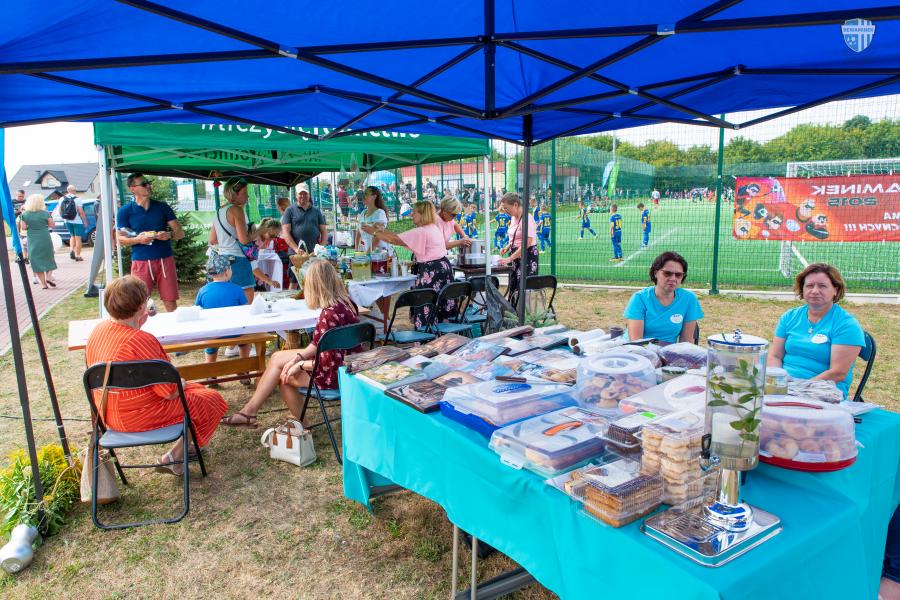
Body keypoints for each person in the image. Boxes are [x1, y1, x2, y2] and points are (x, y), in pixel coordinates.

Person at [85, 276, 227, 475]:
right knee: (208, 399)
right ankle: (175, 457)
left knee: (195, 394)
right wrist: (182, 383)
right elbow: (169, 392)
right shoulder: (140, 340)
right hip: (139, 416)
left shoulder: (97, 331)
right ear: (141, 306)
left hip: (108, 413)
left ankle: (181, 451)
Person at [221, 260, 361, 428]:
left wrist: (300, 365)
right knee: (276, 357)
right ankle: (249, 412)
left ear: (314, 285)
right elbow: (318, 343)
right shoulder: (347, 303)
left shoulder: (329, 315)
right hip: (349, 365)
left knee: (285, 376)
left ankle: (301, 424)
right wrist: (298, 358)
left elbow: (327, 362)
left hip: (335, 375)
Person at [767, 263, 865, 399]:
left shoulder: (846, 325)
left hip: (822, 390)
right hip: (785, 387)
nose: (814, 291)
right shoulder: (789, 317)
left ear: (835, 290)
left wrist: (798, 389)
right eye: (809, 286)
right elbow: (775, 356)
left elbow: (837, 373)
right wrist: (777, 383)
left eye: (822, 286)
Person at [363, 202, 453, 329]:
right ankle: (442, 334)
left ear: (422, 215)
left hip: (431, 272)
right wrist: (380, 231)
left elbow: (394, 240)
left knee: (426, 307)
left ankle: (427, 336)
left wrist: (373, 231)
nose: (412, 215)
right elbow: (396, 237)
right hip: (443, 269)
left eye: (414, 212)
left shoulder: (422, 231)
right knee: (441, 307)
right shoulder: (432, 228)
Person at [117, 173, 184, 312]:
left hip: (165, 260)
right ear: (132, 189)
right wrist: (138, 239)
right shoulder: (125, 211)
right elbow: (121, 239)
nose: (148, 186)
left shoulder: (162, 207)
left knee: (170, 302)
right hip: (141, 261)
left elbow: (180, 233)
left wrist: (169, 235)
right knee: (139, 303)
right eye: (143, 184)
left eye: (148, 183)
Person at [624, 251, 702, 344]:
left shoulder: (689, 299)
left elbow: (686, 342)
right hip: (640, 350)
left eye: (678, 275)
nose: (673, 278)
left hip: (668, 351)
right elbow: (636, 342)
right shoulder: (639, 299)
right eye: (667, 273)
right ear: (655, 273)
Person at [209, 177, 257, 303]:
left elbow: (212, 239)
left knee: (229, 299)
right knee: (246, 301)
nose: (247, 196)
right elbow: (244, 240)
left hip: (223, 260)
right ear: (234, 194)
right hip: (239, 260)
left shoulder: (219, 211)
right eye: (244, 193)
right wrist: (260, 231)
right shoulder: (237, 210)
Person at [497, 192, 538, 307]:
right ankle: (514, 311)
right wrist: (507, 247)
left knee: (523, 287)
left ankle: (523, 313)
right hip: (516, 255)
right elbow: (515, 237)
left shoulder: (527, 218)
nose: (505, 210)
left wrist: (510, 258)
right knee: (514, 285)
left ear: (515, 205)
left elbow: (527, 242)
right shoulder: (513, 217)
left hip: (527, 256)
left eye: (506, 208)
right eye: (503, 208)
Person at [18, 194, 58, 289]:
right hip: (44, 237)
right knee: (49, 257)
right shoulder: (45, 213)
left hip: (32, 238)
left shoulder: (25, 214)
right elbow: (52, 225)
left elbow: (23, 227)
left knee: (35, 260)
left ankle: (44, 284)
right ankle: (48, 277)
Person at [282, 183, 327, 255]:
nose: (303, 196)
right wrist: (296, 248)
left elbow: (324, 231)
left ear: (309, 195)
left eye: (305, 194)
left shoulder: (316, 211)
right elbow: (285, 232)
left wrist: (321, 247)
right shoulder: (289, 210)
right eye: (300, 194)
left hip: (314, 253)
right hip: (296, 254)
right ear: (296, 195)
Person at [254, 217, 288, 289]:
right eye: (271, 236)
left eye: (276, 236)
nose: (273, 238)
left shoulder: (267, 240)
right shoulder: (254, 238)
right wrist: (269, 281)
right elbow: (252, 265)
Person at [354, 185, 390, 252]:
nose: (363, 196)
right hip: (369, 253)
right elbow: (358, 233)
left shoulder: (380, 213)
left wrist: (368, 253)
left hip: (380, 253)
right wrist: (356, 250)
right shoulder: (363, 213)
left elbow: (378, 236)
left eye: (366, 194)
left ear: (374, 197)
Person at [58, 185, 87, 262]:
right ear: (74, 191)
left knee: (72, 236)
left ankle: (71, 250)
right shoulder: (78, 199)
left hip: (67, 221)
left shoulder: (62, 199)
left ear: (67, 190)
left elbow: (59, 211)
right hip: (77, 221)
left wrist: (64, 218)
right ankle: (78, 255)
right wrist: (84, 221)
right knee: (78, 238)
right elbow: (81, 211)